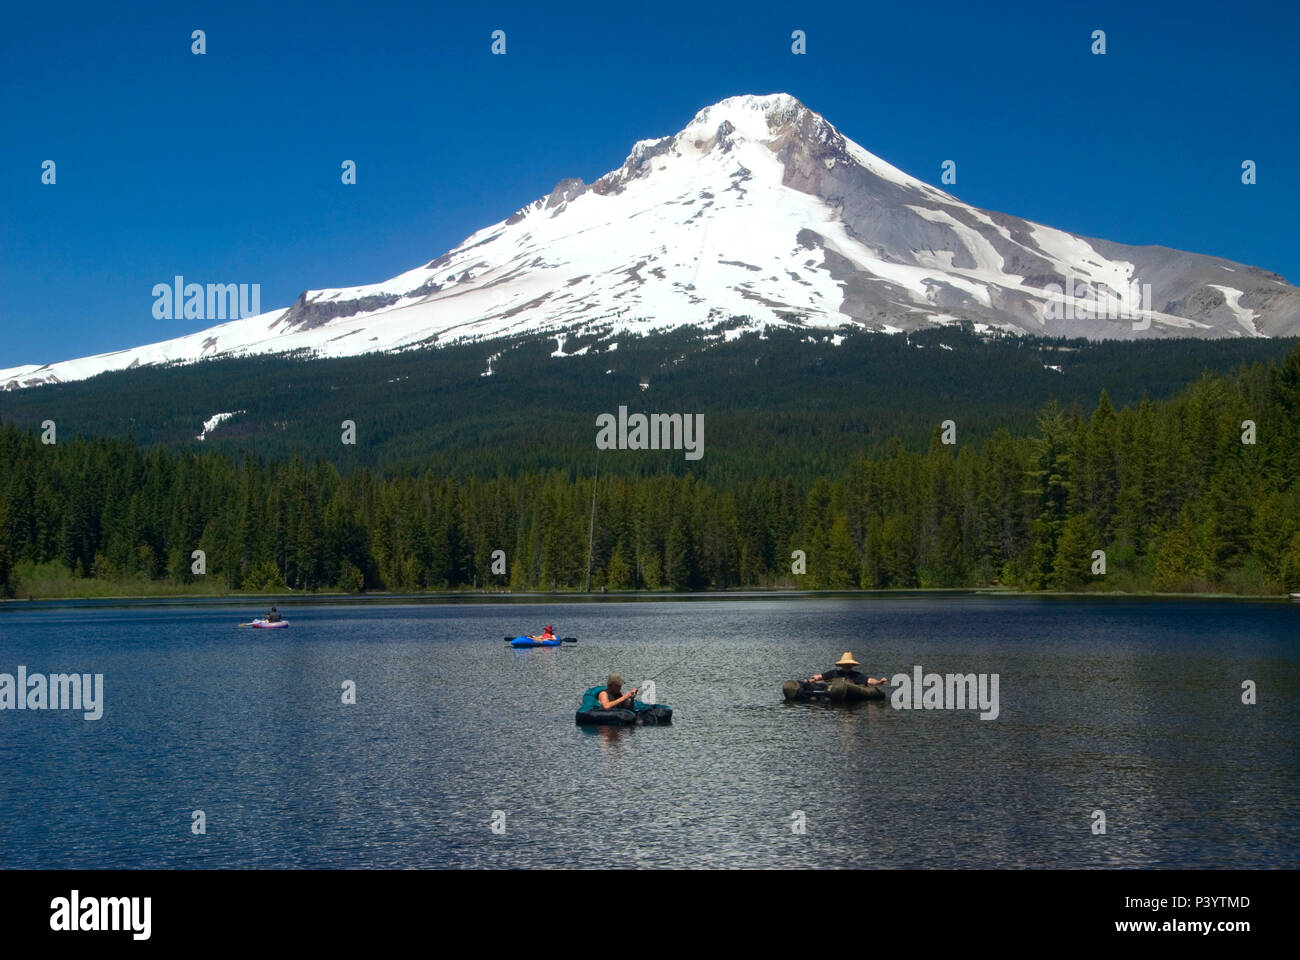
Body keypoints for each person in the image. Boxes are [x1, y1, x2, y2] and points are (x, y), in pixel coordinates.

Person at [810, 652, 887, 686]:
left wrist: (879, 682)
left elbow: (869, 681)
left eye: (848, 664)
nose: (847, 665)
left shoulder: (856, 675)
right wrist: (813, 678)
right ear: (842, 665)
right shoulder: (833, 673)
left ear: (852, 665)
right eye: (845, 664)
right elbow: (819, 677)